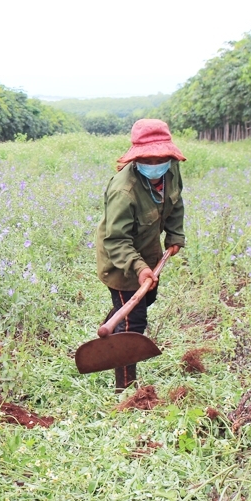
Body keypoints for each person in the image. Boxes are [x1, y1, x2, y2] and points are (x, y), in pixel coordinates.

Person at [95, 119, 185, 391]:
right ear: (137, 158)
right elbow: (116, 239)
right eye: (149, 158)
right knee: (133, 324)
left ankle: (106, 334)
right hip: (121, 261)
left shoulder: (171, 171)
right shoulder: (124, 190)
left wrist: (174, 235)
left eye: (162, 157)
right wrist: (138, 268)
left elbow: (176, 201)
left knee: (145, 300)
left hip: (149, 252)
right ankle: (125, 389)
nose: (156, 163)